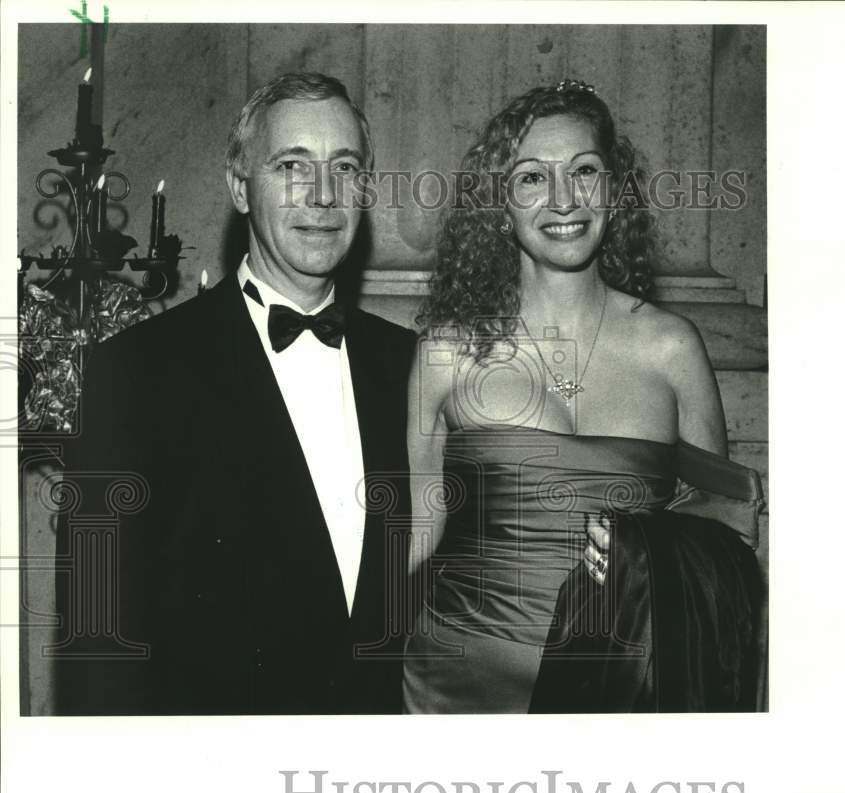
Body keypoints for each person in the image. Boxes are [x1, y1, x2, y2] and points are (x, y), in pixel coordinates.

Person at [52, 73, 415, 715]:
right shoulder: (132, 373)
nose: (323, 195)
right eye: (291, 166)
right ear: (239, 188)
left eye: (345, 167)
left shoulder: (411, 366)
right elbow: (96, 648)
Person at [403, 79, 761, 713]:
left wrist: (645, 548)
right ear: (500, 203)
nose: (563, 199)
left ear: (614, 190)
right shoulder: (444, 353)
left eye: (584, 171)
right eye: (532, 178)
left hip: (624, 686)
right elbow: (415, 542)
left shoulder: (673, 346)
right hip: (459, 685)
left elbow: (725, 537)